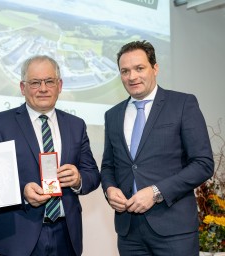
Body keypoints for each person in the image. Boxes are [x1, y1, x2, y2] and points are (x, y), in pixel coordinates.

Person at [100, 40, 214, 256]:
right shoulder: (112, 115)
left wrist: (156, 192)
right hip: (129, 232)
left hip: (174, 231)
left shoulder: (182, 104)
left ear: (155, 68)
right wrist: (109, 189)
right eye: (125, 71)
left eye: (139, 68)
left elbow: (203, 164)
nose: (132, 76)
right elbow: (108, 166)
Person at [0, 55, 100, 256]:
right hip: (19, 235)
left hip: (66, 234)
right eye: (35, 83)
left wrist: (78, 179)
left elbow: (92, 175)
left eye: (49, 81)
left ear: (59, 85)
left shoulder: (76, 125)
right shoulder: (1, 123)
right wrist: (23, 193)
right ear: (23, 87)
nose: (43, 89)